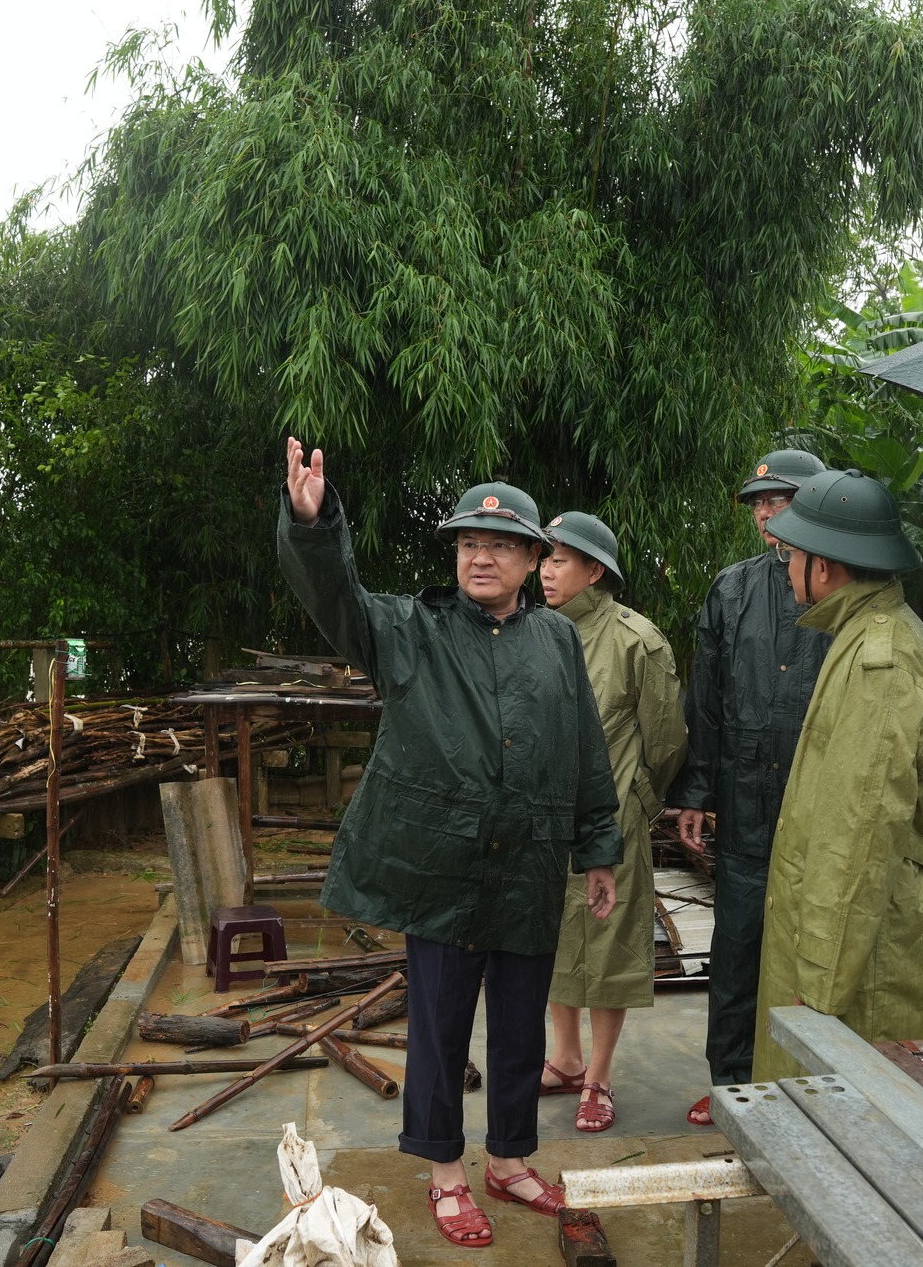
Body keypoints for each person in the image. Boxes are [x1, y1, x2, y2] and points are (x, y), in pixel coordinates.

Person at [277, 441, 622, 1249]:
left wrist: (597, 845)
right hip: (442, 871)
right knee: (438, 1027)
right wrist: (313, 521)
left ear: (534, 556)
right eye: (469, 541)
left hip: (529, 867)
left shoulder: (556, 642)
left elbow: (584, 750)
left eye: (500, 543)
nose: (480, 555)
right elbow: (337, 599)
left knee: (518, 1025)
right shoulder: (412, 628)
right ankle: (445, 1173)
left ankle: (509, 1158)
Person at [750, 469, 923, 1079]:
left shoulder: (880, 661)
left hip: (863, 959)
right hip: (858, 940)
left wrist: (818, 986)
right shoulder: (865, 634)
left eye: (791, 554)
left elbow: (857, 837)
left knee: (849, 1140)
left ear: (826, 565)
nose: (784, 567)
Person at [662, 448, 833, 1124]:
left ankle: (808, 1081)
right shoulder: (731, 590)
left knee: (813, 947)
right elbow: (705, 701)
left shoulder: (842, 589)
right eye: (759, 503)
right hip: (743, 802)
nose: (765, 511)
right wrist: (696, 792)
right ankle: (732, 1081)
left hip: (815, 804)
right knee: (736, 948)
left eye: (779, 498)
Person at [538, 511, 689, 1134]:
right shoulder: (532, 631)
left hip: (613, 821)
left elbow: (667, 739)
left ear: (594, 570)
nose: (546, 570)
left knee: (608, 946)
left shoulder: (637, 640)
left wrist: (638, 804)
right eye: (543, 559)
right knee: (550, 943)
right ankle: (564, 1058)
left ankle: (597, 1077)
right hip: (544, 822)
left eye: (559, 560)